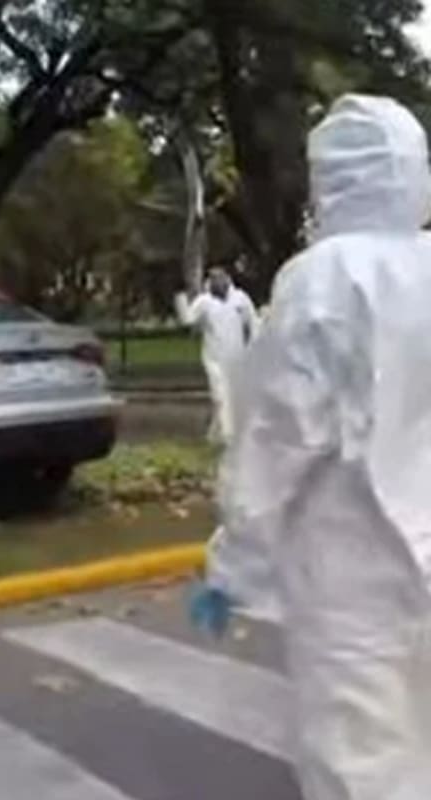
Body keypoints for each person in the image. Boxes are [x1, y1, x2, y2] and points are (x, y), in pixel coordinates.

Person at [190, 94, 431, 800]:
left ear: (329, 180)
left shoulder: (320, 281)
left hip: (352, 567)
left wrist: (230, 569)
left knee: (359, 761)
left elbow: (277, 442)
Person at [175, 267, 259, 444]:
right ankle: (230, 438)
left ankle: (214, 436)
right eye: (213, 279)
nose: (218, 282)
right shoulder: (204, 302)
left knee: (232, 397)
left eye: (221, 278)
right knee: (220, 396)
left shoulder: (240, 298)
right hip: (214, 359)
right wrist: (181, 300)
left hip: (237, 357)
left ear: (228, 279)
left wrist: (254, 346)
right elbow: (189, 320)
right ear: (210, 282)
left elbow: (253, 323)